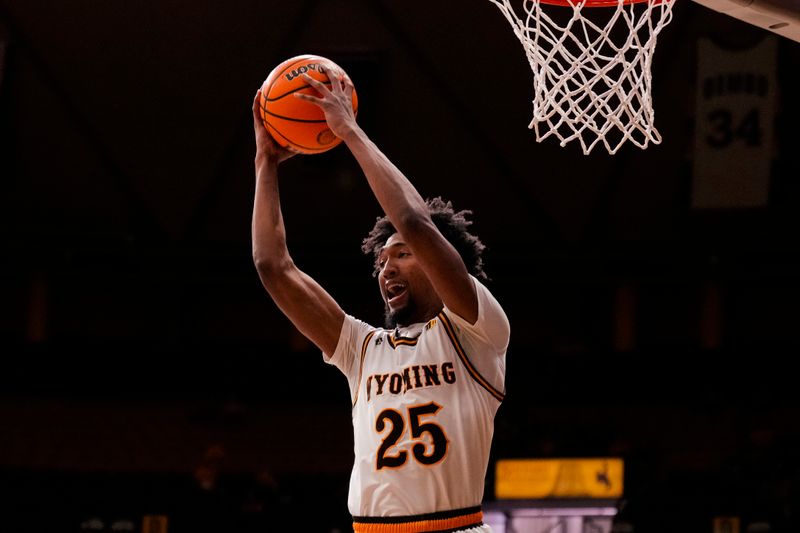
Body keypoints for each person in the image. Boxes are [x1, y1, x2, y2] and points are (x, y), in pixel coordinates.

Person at [251, 65, 509, 533]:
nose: (386, 267)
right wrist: (265, 162)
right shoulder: (362, 350)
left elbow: (414, 220)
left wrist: (348, 131)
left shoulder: (476, 329)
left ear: (438, 261)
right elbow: (274, 266)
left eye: (402, 255)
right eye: (381, 262)